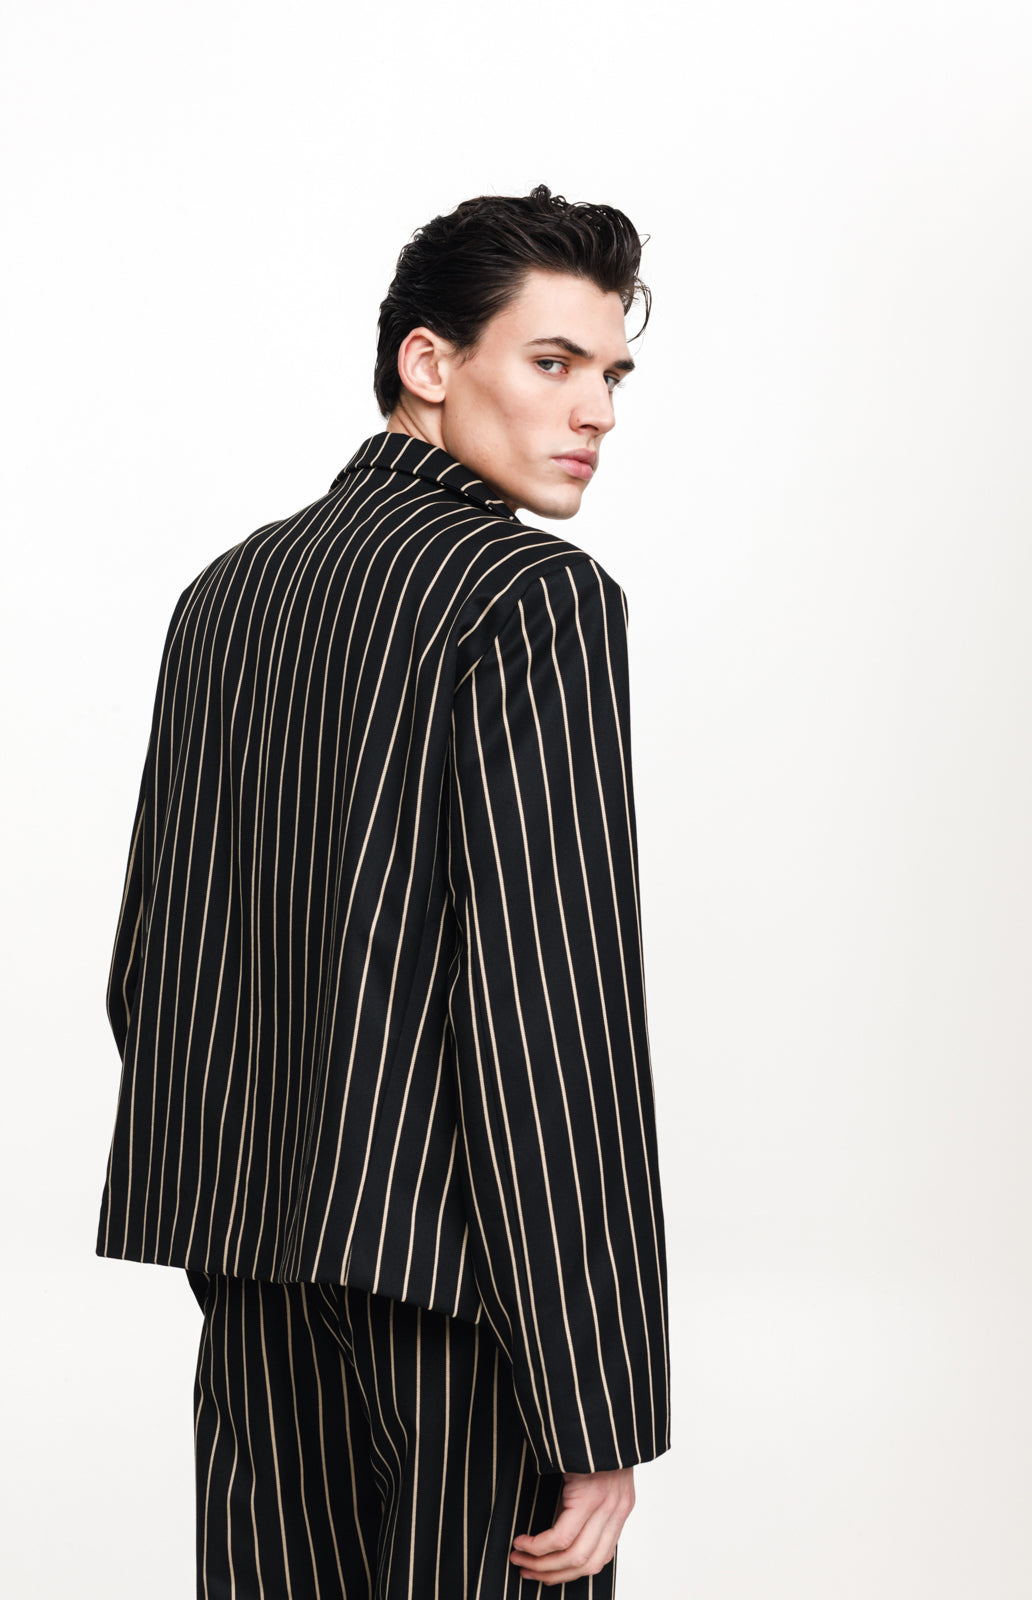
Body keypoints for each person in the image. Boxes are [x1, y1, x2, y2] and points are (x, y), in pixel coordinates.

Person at [97, 184, 671, 1597]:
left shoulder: (228, 594)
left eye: (612, 375)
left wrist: (244, 1216)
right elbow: (551, 1022)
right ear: (430, 362)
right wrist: (598, 1403)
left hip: (252, 1272)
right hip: (463, 1308)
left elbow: (153, 957)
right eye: (553, 362)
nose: (595, 411)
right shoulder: (531, 600)